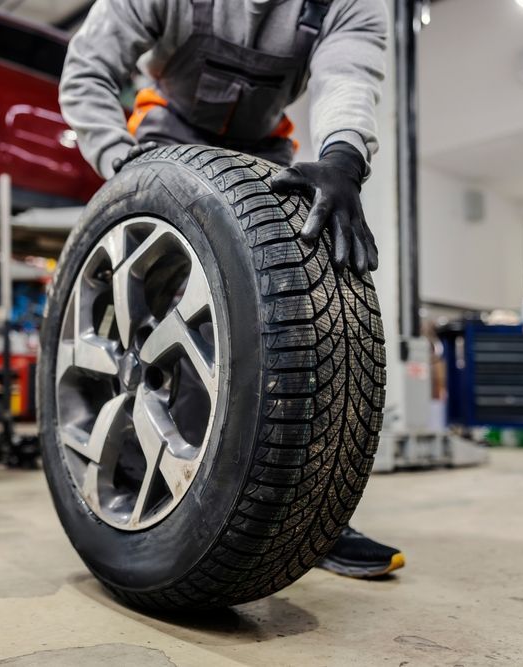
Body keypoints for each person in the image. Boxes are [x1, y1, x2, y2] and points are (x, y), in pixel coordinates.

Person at [59, 0, 403, 578]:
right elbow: (88, 68)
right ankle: (161, 490)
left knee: (299, 320)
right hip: (162, 135)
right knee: (176, 317)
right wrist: (117, 160)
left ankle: (307, 512)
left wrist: (343, 157)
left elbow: (348, 73)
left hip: (263, 151)